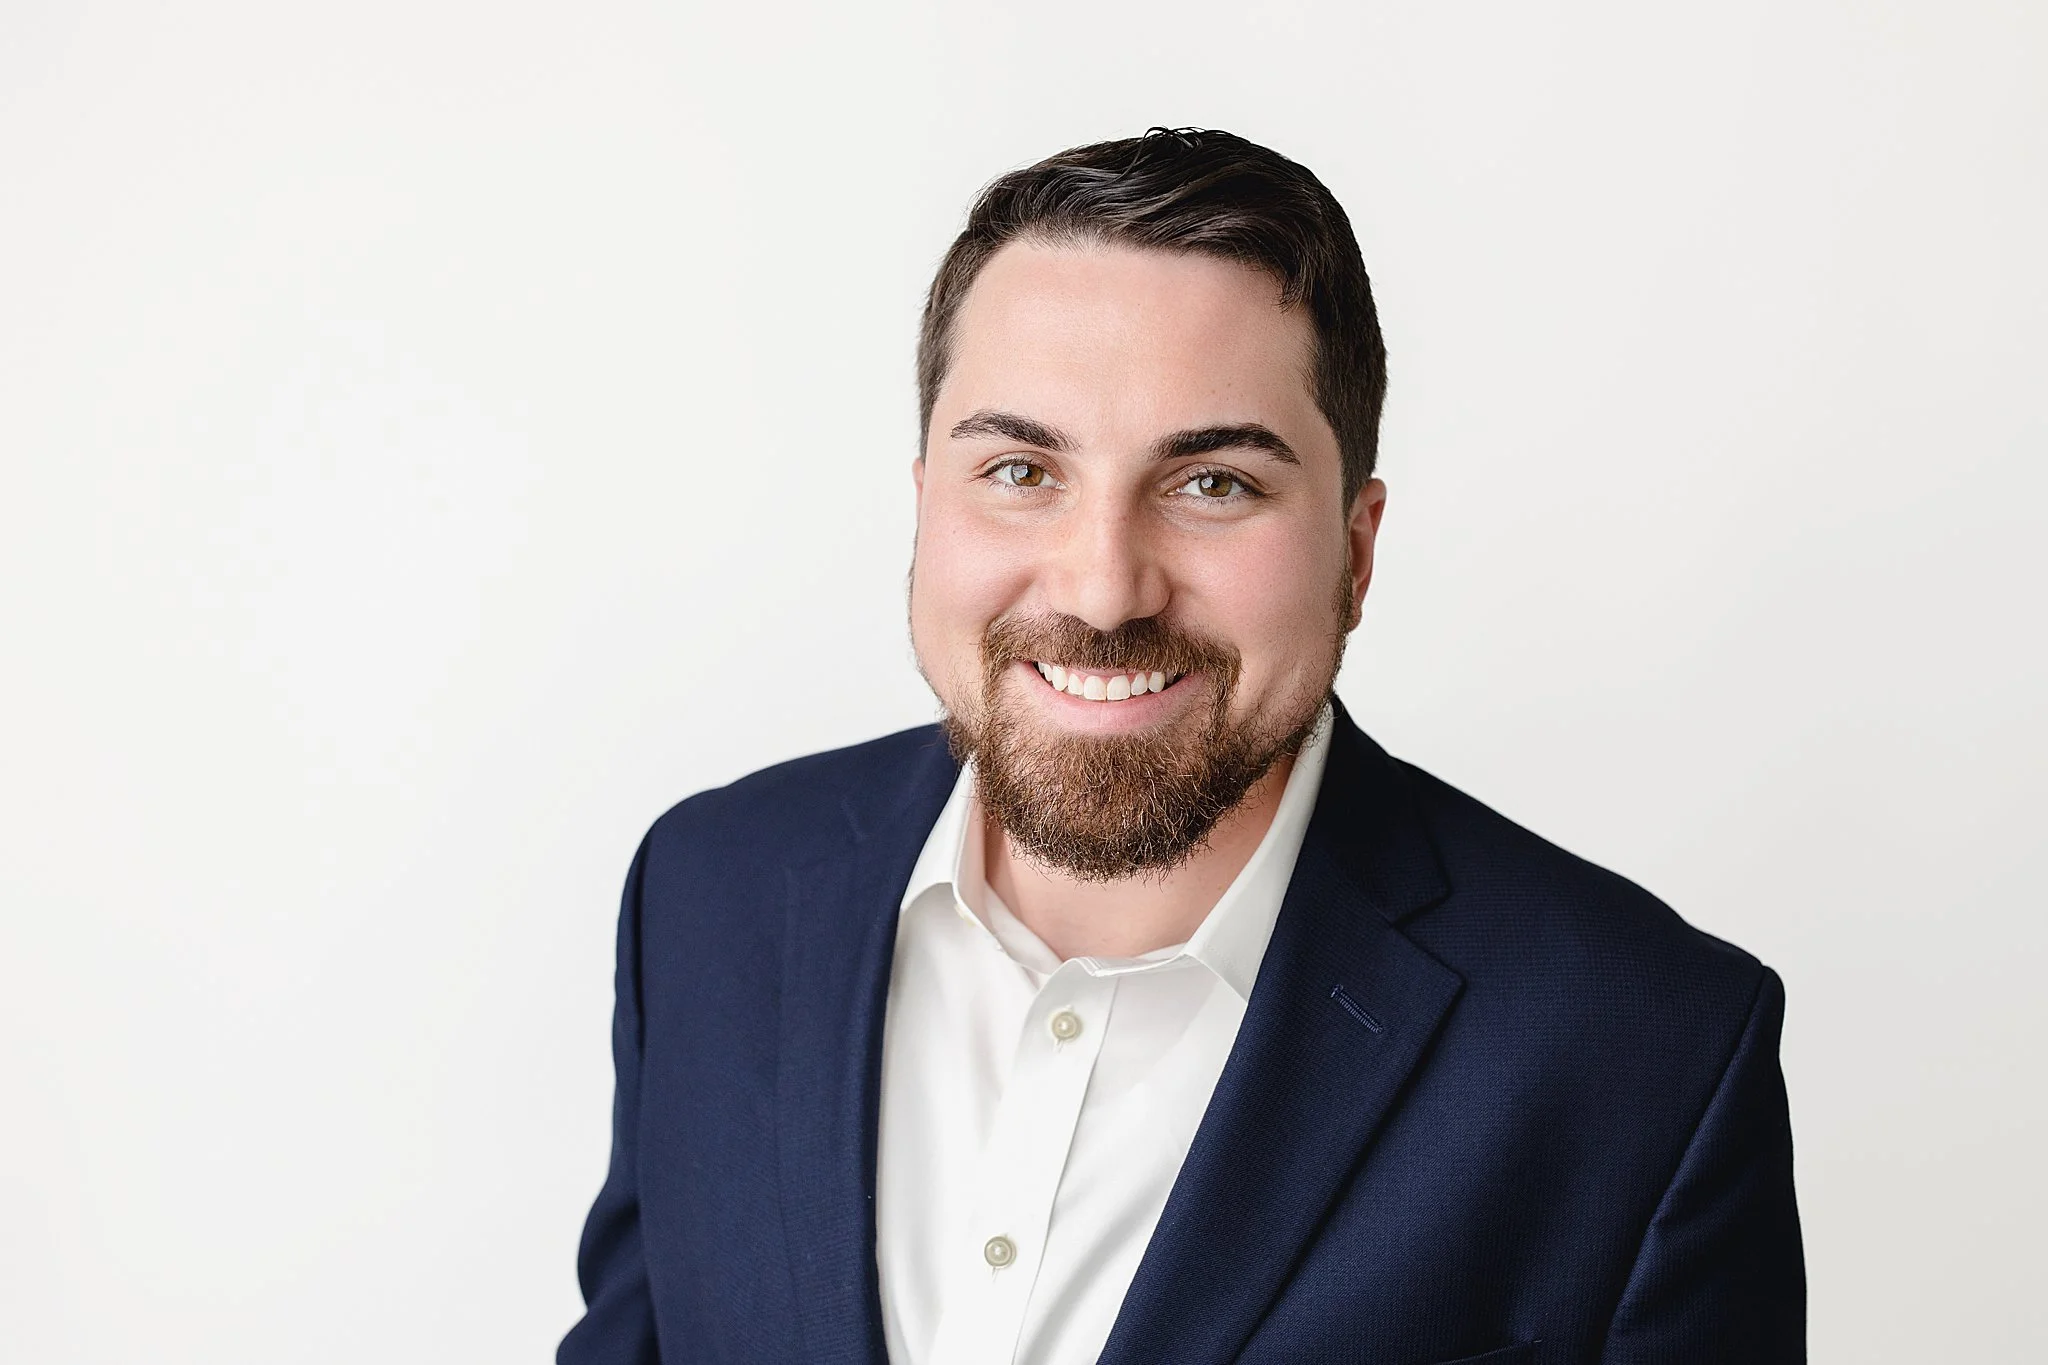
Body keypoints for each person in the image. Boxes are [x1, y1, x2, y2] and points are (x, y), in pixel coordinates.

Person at [557, 127, 1804, 1365]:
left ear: (1354, 553)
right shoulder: (707, 893)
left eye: (1212, 483)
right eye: (1018, 467)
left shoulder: (1647, 1053)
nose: (1104, 590)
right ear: (924, 499)